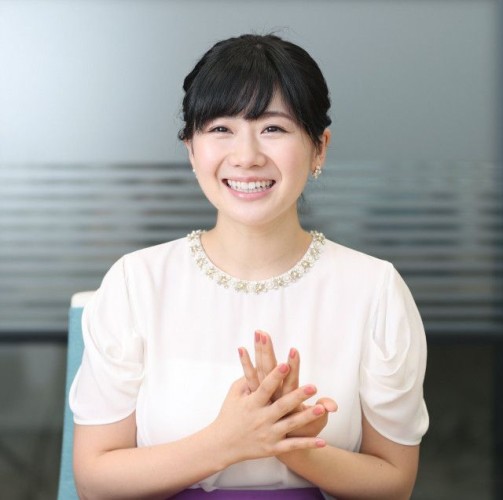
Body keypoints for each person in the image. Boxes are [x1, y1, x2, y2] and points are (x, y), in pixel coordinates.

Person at [69, 34, 429, 499]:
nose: (246, 156)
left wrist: (295, 447)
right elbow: (94, 481)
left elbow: (395, 484)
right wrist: (226, 442)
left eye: (273, 128)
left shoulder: (374, 289)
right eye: (221, 128)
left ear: (319, 148)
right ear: (191, 149)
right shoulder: (136, 282)